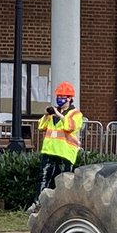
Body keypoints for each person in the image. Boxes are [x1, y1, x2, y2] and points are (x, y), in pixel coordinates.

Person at [30, 81, 85, 212]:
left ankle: (61, 208)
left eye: (63, 97)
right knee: (43, 178)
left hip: (65, 154)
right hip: (49, 151)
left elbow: (70, 127)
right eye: (58, 96)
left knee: (63, 182)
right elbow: (41, 126)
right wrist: (47, 114)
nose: (60, 99)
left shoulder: (75, 114)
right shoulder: (53, 113)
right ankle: (37, 205)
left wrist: (59, 115)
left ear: (70, 98)